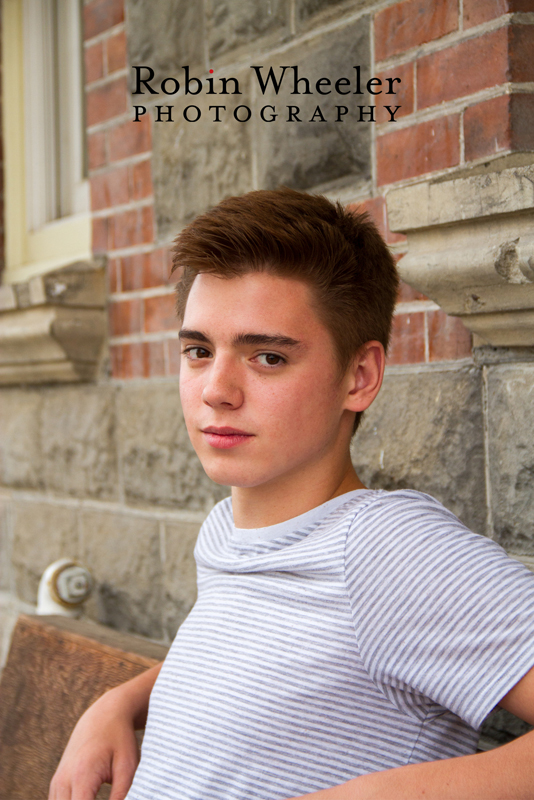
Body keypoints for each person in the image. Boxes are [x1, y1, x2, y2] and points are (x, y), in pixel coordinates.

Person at [50, 188, 534, 800]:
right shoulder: (231, 529)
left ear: (359, 377)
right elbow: (271, 653)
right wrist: (118, 704)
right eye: (199, 351)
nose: (216, 390)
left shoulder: (386, 547)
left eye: (269, 357)